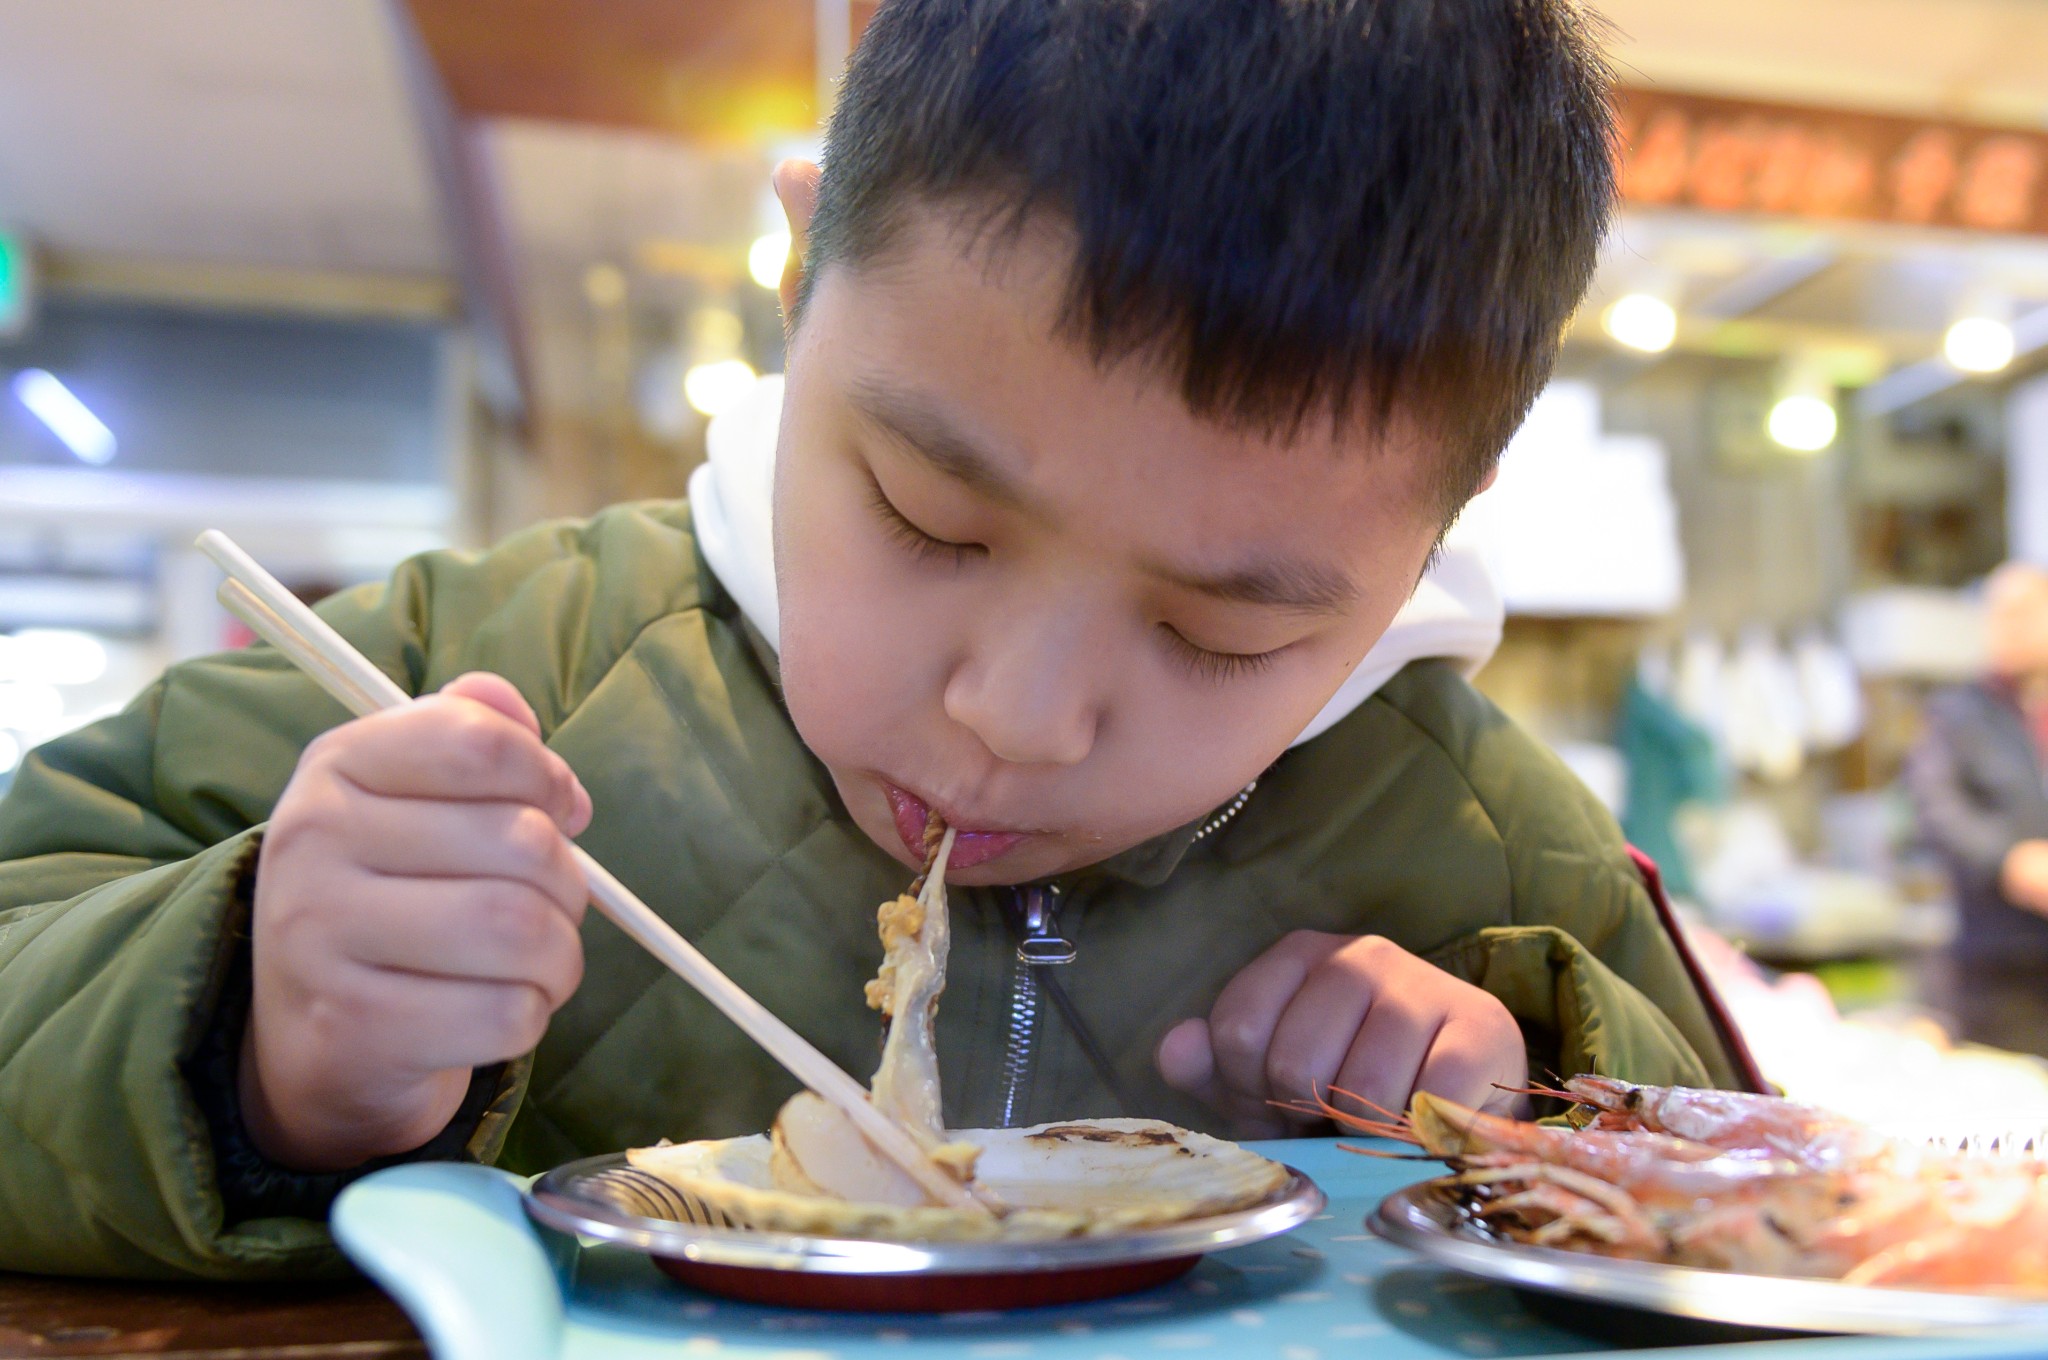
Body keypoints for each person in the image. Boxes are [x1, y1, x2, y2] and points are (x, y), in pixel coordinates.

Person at [0, 0, 1753, 1279]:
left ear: (1435, 529)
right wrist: (248, 1037)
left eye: (1219, 628)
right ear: (792, 274)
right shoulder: (489, 657)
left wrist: (1508, 1113)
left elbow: (1754, 1202)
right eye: (928, 517)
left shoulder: (1480, 844)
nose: (1018, 716)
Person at [1907, 562, 2048, 1053]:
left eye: (2024, 612)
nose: (2010, 625)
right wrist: (2010, 860)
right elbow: (1936, 810)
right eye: (1998, 614)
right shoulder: (1958, 714)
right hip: (1998, 957)